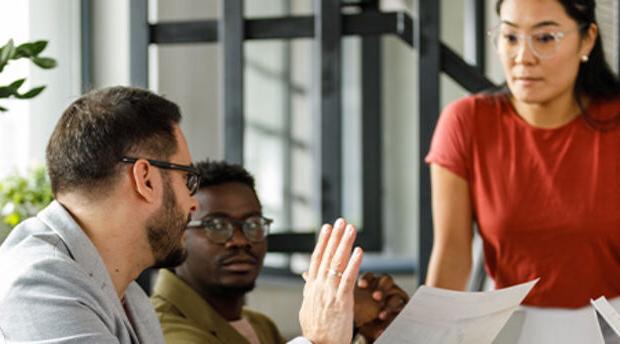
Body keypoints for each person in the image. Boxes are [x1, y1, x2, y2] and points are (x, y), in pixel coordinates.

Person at [0, 86, 364, 344]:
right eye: (188, 179)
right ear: (144, 179)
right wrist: (316, 341)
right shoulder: (40, 282)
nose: (192, 205)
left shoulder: (131, 299)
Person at [425, 0, 620, 309]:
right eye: (510, 37)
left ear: (587, 39)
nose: (523, 57)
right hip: (513, 332)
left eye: (545, 38)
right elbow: (451, 257)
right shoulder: (466, 122)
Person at [151, 160, 408, 343]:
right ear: (179, 232)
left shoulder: (259, 326)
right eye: (218, 225)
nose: (240, 240)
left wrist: (359, 330)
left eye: (253, 224)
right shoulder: (160, 329)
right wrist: (318, 339)